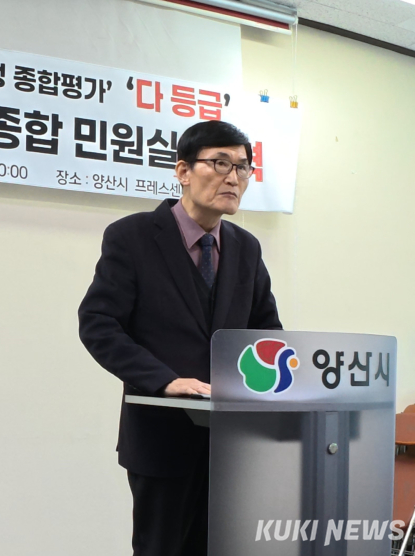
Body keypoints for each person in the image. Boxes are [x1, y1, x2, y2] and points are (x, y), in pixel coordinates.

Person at [77, 120, 282, 556]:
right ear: (183, 171)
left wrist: (279, 383)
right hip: (162, 436)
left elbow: (266, 333)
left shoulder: (246, 247)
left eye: (243, 167)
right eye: (220, 163)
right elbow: (98, 322)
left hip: (231, 441)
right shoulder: (132, 236)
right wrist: (164, 380)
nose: (233, 177)